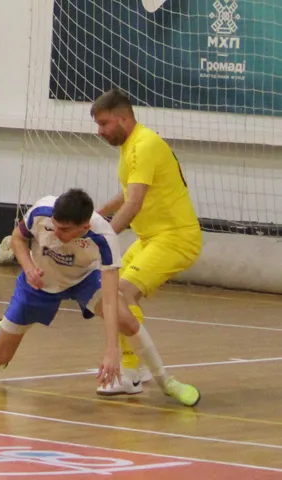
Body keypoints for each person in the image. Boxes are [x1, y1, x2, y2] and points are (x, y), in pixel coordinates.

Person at [0, 189, 200, 407]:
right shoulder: (41, 211)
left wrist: (111, 350)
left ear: (85, 227)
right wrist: (29, 268)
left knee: (126, 318)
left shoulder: (104, 238)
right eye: (55, 226)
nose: (57, 233)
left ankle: (167, 382)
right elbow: (17, 238)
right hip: (39, 281)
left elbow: (110, 299)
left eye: (65, 230)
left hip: (84, 279)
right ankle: (0, 327)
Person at [91, 88, 202, 396]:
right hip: (150, 238)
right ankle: (137, 367)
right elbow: (128, 193)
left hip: (175, 237)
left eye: (104, 124)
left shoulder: (144, 145)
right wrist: (95, 215)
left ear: (123, 119)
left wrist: (103, 238)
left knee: (122, 293)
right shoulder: (132, 146)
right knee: (109, 294)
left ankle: (129, 374)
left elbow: (134, 203)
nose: (99, 131)